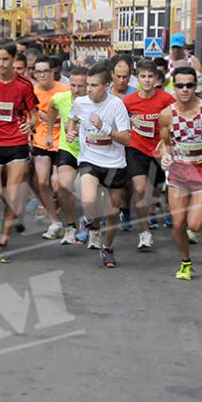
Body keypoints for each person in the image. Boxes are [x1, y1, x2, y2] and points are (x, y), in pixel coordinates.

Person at [158, 67, 202, 280]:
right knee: (178, 224)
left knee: (195, 225)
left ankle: (195, 226)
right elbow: (165, 143)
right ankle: (186, 262)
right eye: (180, 85)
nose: (185, 89)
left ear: (195, 86)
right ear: (173, 86)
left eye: (189, 85)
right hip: (178, 171)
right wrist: (165, 156)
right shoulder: (166, 115)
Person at [0, 40, 39, 263]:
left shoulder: (24, 84)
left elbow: (34, 113)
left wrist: (31, 124)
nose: (1, 64)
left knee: (11, 195)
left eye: (5, 60)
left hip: (16, 143)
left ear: (13, 60)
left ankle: (3, 241)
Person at [65, 62, 131, 268]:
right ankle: (91, 222)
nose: (88, 89)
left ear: (106, 86)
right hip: (89, 159)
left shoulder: (117, 105)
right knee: (88, 199)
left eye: (93, 85)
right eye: (88, 84)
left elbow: (126, 139)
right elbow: (72, 119)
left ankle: (107, 248)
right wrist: (70, 131)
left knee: (112, 213)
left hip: (114, 163)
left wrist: (105, 129)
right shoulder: (80, 102)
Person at [122, 59, 174, 250]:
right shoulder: (128, 101)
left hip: (159, 149)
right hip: (136, 148)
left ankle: (154, 209)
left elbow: (176, 120)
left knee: (155, 189)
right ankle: (144, 232)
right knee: (140, 189)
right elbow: (120, 122)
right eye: (142, 76)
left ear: (157, 78)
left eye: (150, 76)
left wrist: (168, 140)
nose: (146, 80)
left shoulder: (166, 99)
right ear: (137, 78)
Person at [44, 66, 87, 245]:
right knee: (63, 186)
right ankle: (70, 226)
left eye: (81, 86)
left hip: (91, 152)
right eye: (73, 85)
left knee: (88, 194)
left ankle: (89, 223)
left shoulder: (96, 102)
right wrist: (49, 133)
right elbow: (51, 108)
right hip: (68, 148)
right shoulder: (60, 98)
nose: (76, 90)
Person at [31, 55, 69, 239]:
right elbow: (28, 116)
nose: (42, 75)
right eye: (38, 72)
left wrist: (58, 118)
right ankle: (55, 222)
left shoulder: (65, 90)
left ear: (53, 71)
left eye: (45, 71)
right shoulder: (31, 92)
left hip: (63, 141)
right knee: (42, 182)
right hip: (41, 140)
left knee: (58, 184)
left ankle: (70, 221)